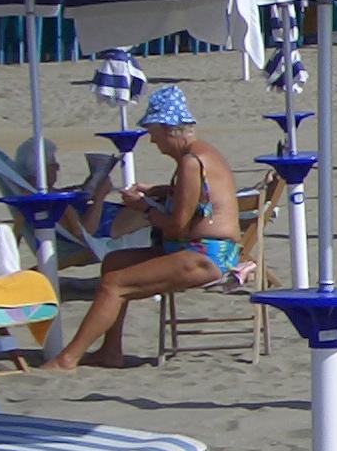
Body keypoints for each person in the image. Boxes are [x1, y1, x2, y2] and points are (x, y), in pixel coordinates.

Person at [45, 86, 241, 371]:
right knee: (114, 263)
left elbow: (176, 228)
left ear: (168, 129)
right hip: (203, 250)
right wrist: (158, 191)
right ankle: (110, 351)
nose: (152, 141)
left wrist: (144, 209)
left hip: (205, 256)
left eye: (153, 132)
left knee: (115, 285)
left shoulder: (189, 163)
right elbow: (196, 195)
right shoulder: (201, 154)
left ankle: (68, 358)